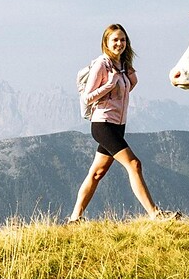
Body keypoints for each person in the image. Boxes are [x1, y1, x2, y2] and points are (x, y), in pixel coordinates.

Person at [69, 23, 176, 223]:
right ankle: (155, 214)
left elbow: (126, 89)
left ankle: (75, 218)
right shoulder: (102, 65)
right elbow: (86, 98)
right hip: (103, 124)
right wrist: (109, 85)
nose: (119, 43)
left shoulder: (123, 66)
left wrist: (130, 78)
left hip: (118, 126)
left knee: (97, 173)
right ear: (106, 43)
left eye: (123, 40)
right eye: (115, 40)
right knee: (134, 164)